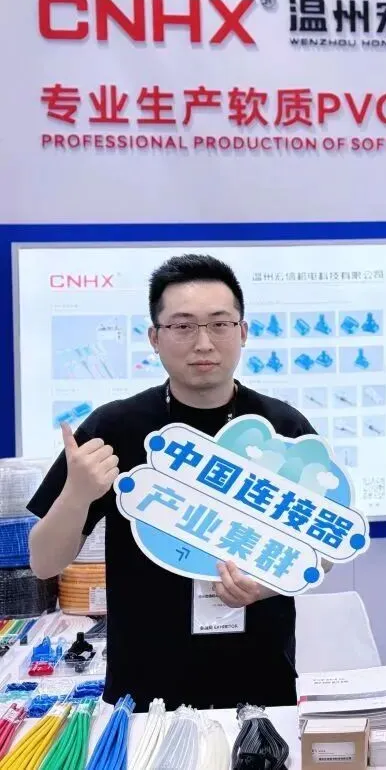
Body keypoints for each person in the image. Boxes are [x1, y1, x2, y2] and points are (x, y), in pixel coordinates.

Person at [27, 254, 318, 712]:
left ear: (243, 332)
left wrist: (268, 584)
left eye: (220, 324)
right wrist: (76, 495)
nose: (203, 342)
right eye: (183, 326)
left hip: (260, 680)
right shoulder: (114, 426)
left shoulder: (284, 428)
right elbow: (44, 562)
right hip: (146, 689)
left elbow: (323, 549)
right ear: (154, 338)